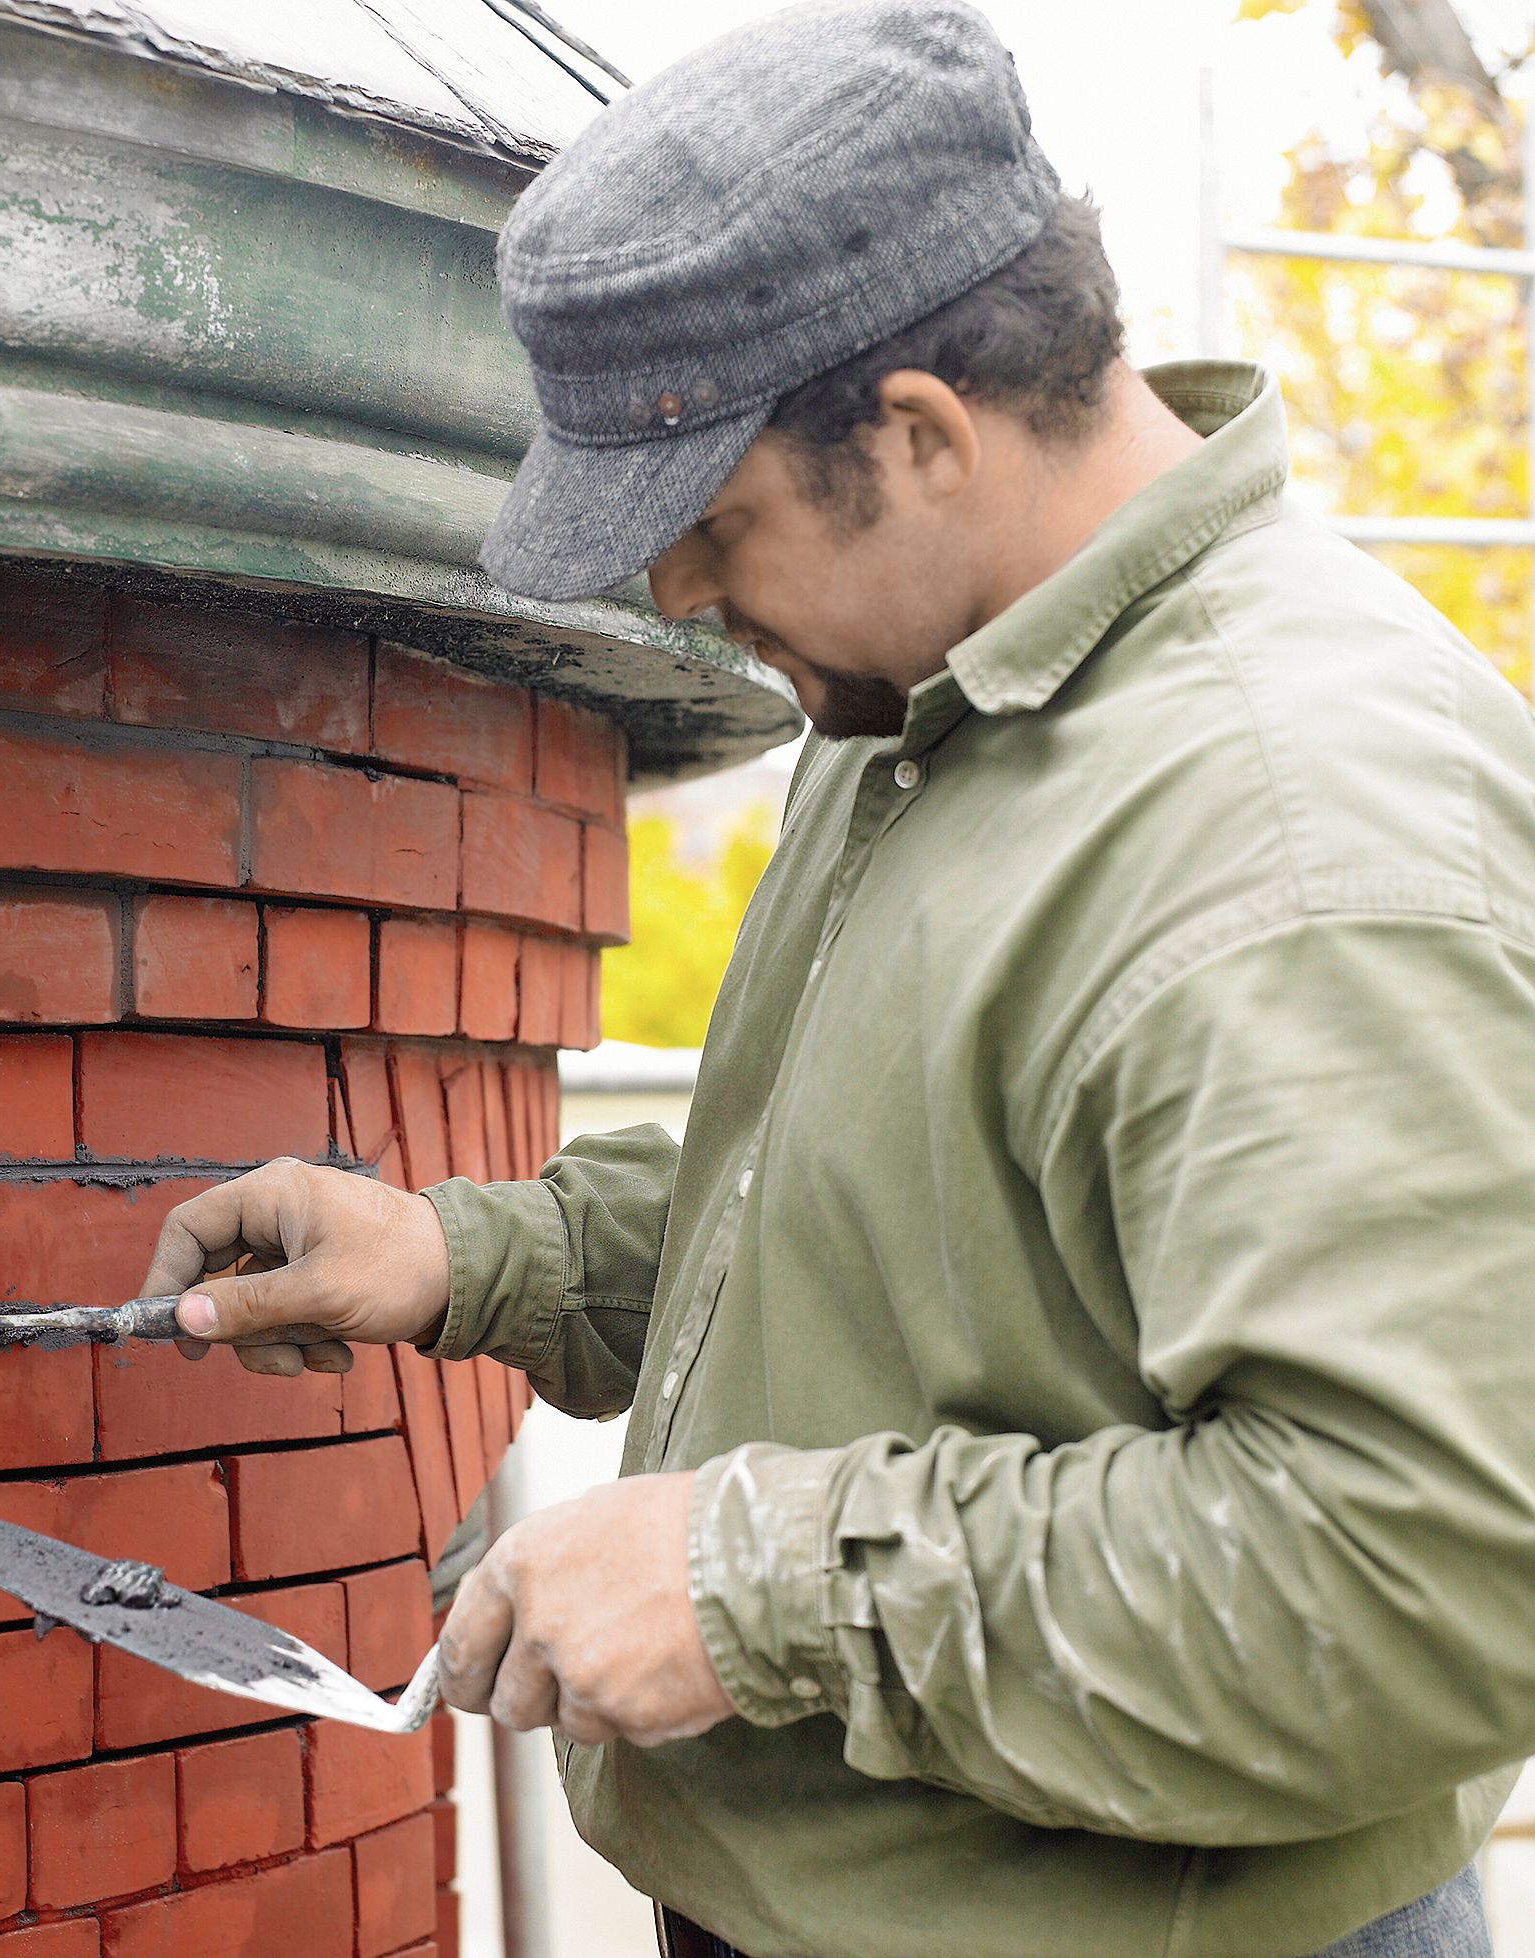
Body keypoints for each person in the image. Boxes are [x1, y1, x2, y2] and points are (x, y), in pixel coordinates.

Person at [139, 4, 1535, 1952]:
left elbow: (1416, 1580)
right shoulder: (921, 711)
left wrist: (749, 1577)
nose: (682, 606)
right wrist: (470, 1257)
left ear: (917, 434)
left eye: (712, 532)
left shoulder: (1291, 834)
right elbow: (896, 1224)